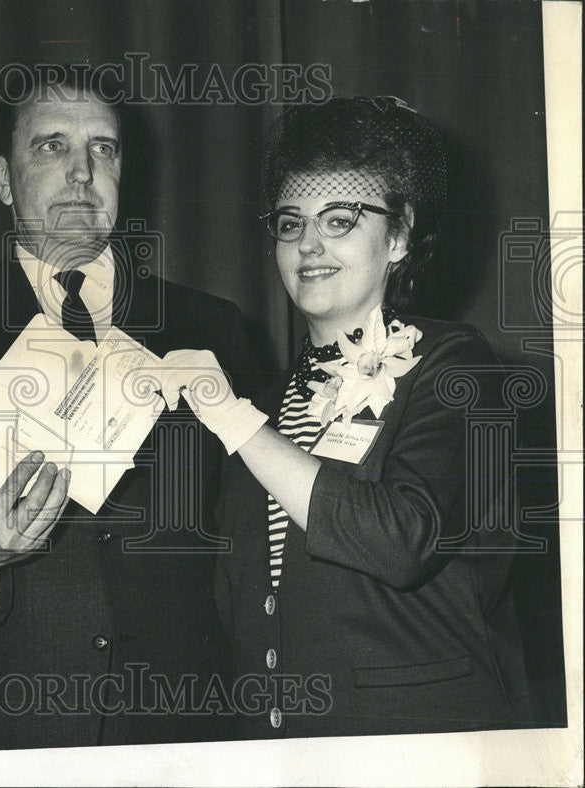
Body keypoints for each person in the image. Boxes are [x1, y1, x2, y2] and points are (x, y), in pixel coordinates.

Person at [0, 65, 258, 751]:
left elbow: (253, 555)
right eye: (51, 146)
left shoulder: (210, 328)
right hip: (1, 726)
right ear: (0, 178)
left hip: (181, 729)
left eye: (103, 148)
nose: (82, 173)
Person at [158, 96, 530, 738]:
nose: (307, 245)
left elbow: (401, 539)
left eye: (339, 221)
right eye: (289, 223)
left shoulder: (453, 365)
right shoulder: (270, 405)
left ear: (400, 236)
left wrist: (228, 413)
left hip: (417, 744)